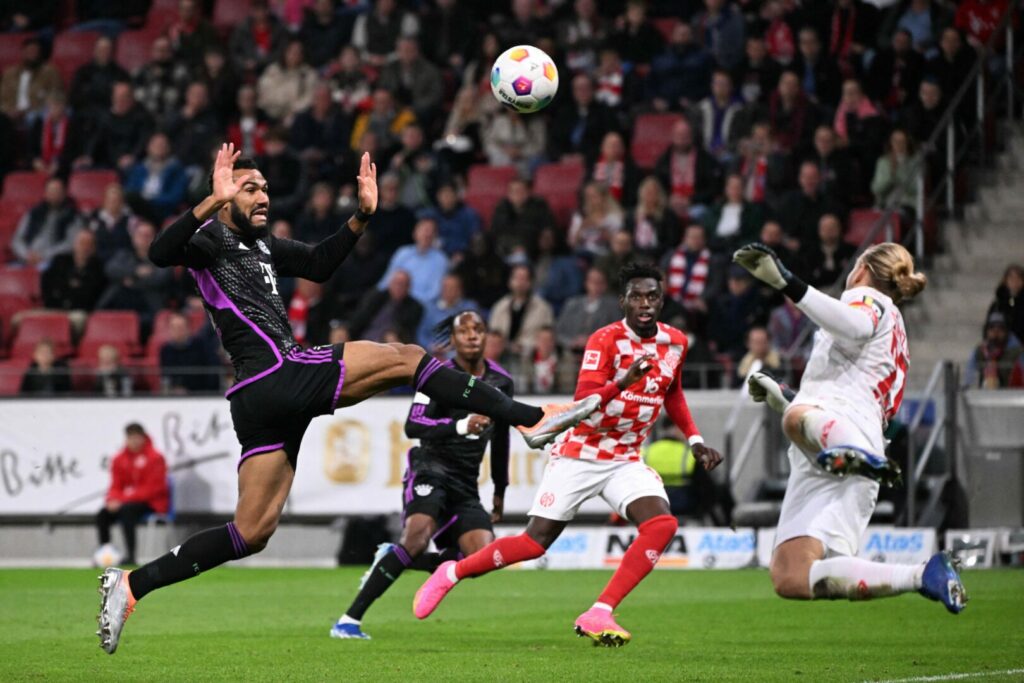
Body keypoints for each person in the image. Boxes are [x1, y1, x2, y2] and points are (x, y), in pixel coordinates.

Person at [97, 144, 599, 654]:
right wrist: (209, 203)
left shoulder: (264, 245)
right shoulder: (211, 242)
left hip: (256, 398)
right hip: (279, 372)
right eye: (249, 188)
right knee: (406, 357)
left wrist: (361, 216)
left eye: (266, 187)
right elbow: (160, 253)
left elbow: (317, 264)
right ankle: (531, 418)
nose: (263, 195)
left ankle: (132, 585)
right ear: (223, 196)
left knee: (251, 532)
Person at [413, 263, 723, 645]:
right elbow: (583, 404)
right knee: (533, 543)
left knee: (662, 525)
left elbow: (671, 392)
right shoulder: (605, 341)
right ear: (623, 300)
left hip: (625, 458)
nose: (645, 304)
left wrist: (695, 440)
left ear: (662, 300)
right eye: (637, 296)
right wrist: (622, 383)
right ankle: (452, 574)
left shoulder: (675, 342)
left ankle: (600, 611)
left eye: (653, 296)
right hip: (580, 451)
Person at [733, 241, 966, 614]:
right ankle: (923, 575)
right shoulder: (892, 324)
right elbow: (848, 376)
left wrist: (786, 282)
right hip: (838, 440)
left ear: (862, 268)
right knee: (791, 575)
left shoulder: (870, 298)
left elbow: (855, 328)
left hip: (847, 428)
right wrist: (785, 396)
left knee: (795, 419)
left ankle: (849, 453)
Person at [332, 311, 513, 640]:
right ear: (453, 340)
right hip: (430, 466)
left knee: (481, 556)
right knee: (416, 538)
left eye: (478, 330)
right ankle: (348, 621)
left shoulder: (502, 382)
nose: (472, 336)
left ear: (486, 336)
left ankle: (393, 557)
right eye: (464, 331)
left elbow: (502, 438)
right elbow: (413, 425)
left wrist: (501, 488)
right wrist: (460, 424)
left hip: (466, 481)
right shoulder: (436, 376)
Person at [96, 423, 169, 566]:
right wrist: (112, 499)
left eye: (137, 437)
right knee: (103, 514)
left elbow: (153, 489)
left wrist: (122, 500)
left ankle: (131, 556)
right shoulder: (119, 459)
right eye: (131, 438)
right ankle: (105, 555)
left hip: (152, 503)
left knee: (127, 511)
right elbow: (115, 485)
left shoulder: (155, 458)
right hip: (128, 502)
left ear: (143, 438)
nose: (134, 441)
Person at [11, 177, 80, 268]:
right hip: (26, 258)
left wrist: (44, 255)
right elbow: (17, 239)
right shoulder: (33, 213)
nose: (54, 194)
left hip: (53, 262)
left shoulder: (73, 216)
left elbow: (70, 244)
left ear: (64, 193)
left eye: (57, 191)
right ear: (45, 193)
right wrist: (26, 254)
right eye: (51, 191)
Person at [159, 311, 220, 393]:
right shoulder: (166, 350)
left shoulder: (202, 346)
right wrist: (174, 388)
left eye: (180, 328)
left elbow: (212, 373)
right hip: (176, 395)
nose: (177, 331)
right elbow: (166, 376)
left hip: (202, 393)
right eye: (173, 328)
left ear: (188, 328)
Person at [965, 311, 1023, 389]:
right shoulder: (980, 351)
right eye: (992, 327)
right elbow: (969, 376)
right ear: (987, 331)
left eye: (1000, 328)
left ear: (1006, 331)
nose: (996, 332)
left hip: (1011, 396)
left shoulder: (1017, 352)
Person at [987, 264, 1024, 343]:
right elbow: (988, 327)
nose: (1015, 282)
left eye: (1018, 278)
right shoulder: (998, 304)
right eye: (1011, 278)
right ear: (1005, 280)